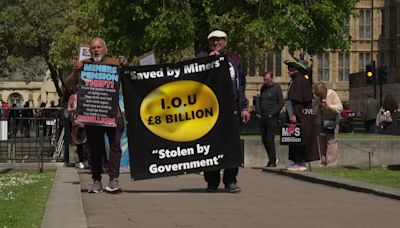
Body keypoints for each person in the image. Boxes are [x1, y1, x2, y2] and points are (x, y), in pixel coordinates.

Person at [65, 37, 125, 193]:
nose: (96, 50)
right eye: (93, 48)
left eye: (99, 47)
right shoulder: (83, 65)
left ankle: (113, 180)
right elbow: (69, 84)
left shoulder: (115, 63)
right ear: (89, 51)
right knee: (94, 148)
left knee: (115, 147)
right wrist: (76, 71)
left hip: (113, 114)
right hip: (92, 114)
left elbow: (131, 79)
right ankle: (96, 180)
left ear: (106, 48)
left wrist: (126, 64)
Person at [197, 30, 251, 193]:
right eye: (213, 40)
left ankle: (230, 180)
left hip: (232, 108)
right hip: (210, 109)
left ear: (226, 42)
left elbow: (241, 85)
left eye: (220, 40)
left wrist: (244, 107)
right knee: (211, 145)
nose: (216, 43)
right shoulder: (202, 57)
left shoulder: (234, 60)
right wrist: (208, 60)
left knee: (232, 145)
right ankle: (212, 181)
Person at [284, 58, 320, 171]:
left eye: (290, 69)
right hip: (302, 116)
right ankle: (297, 161)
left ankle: (300, 162)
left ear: (295, 70)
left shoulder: (299, 81)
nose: (288, 71)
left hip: (300, 117)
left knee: (299, 138)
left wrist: (293, 115)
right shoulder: (298, 81)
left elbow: (294, 101)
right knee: (296, 138)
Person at [257, 71, 284, 167]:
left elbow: (281, 102)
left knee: (269, 139)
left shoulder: (277, 88)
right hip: (263, 117)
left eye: (267, 80)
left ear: (271, 78)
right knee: (264, 140)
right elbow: (260, 100)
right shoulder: (263, 88)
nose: (265, 81)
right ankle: (271, 158)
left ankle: (273, 161)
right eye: (264, 80)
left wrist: (273, 114)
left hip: (272, 117)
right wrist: (259, 113)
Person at [314, 82, 343, 167]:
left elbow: (340, 107)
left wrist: (329, 106)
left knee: (331, 142)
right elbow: (313, 110)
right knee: (322, 142)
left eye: (320, 95)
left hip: (331, 121)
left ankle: (331, 163)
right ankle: (323, 161)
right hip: (320, 122)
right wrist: (318, 108)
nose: (320, 97)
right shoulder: (317, 98)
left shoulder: (332, 93)